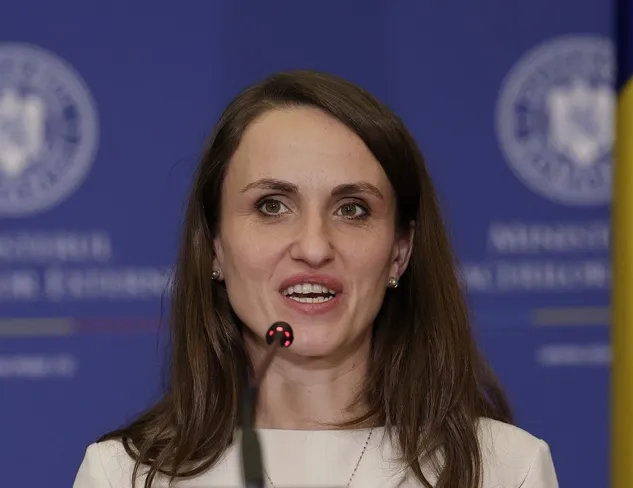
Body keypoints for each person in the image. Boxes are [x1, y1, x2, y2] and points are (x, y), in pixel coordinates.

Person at [73, 70, 558, 488]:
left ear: (399, 252)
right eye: (272, 206)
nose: (313, 247)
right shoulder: (124, 475)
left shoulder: (504, 469)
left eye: (352, 209)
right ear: (215, 246)